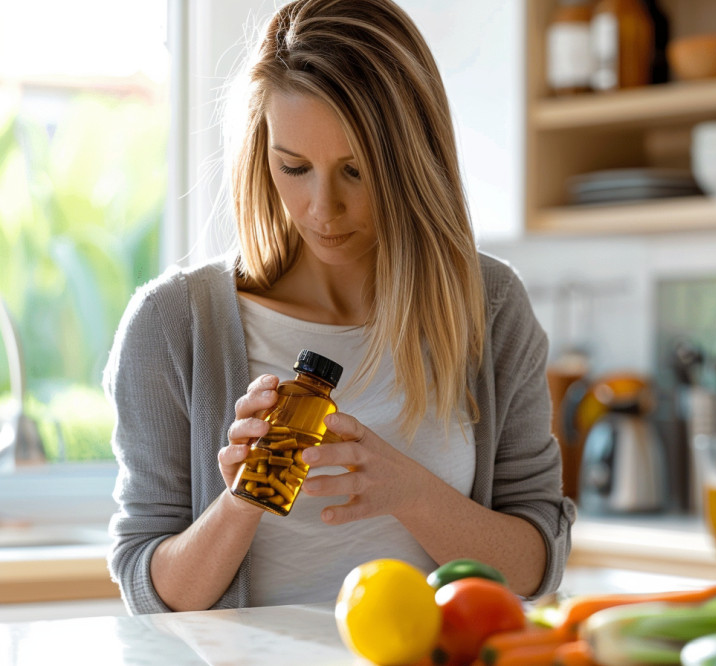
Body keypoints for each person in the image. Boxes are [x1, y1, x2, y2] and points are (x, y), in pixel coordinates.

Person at [104, 0, 575, 614]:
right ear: (262, 153)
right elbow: (149, 591)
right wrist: (245, 498)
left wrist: (409, 491)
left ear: (414, 161)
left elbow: (537, 565)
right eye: (294, 167)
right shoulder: (172, 326)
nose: (323, 209)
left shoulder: (489, 306)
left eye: (356, 171)